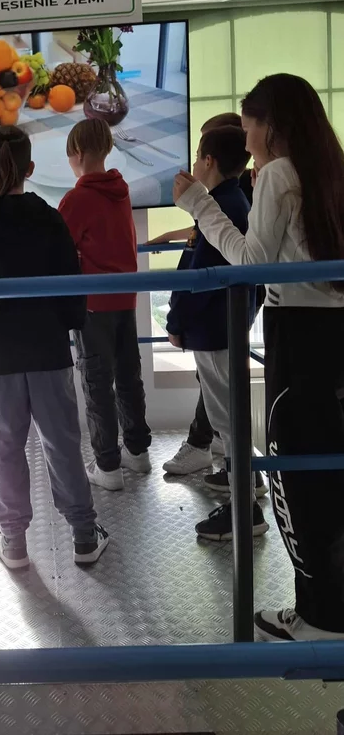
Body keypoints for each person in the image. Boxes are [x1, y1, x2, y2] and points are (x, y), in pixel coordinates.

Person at [174, 73, 344, 640]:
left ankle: (318, 618)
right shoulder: (329, 168)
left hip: (297, 332)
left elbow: (252, 262)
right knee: (325, 472)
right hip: (332, 333)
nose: (245, 140)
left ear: (273, 126)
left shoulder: (279, 174)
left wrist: (199, 205)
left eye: (250, 126)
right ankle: (329, 610)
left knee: (293, 473)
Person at [0, 126, 109, 570]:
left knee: (6, 447)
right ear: (31, 169)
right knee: (62, 443)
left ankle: (14, 542)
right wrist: (67, 325)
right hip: (48, 350)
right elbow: (72, 288)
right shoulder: (50, 220)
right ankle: (83, 535)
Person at [167, 124, 269, 541]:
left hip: (213, 331)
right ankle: (245, 489)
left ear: (208, 161)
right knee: (229, 416)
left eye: (197, 156)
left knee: (227, 420)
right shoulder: (237, 201)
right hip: (226, 327)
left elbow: (198, 278)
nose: (193, 164)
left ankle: (245, 511)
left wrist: (175, 323)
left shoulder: (218, 210)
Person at [58, 118, 151, 490]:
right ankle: (138, 452)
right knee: (128, 376)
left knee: (97, 383)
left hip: (94, 303)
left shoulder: (77, 198)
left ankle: (108, 467)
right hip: (126, 298)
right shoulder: (120, 191)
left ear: (78, 153)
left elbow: (60, 249)